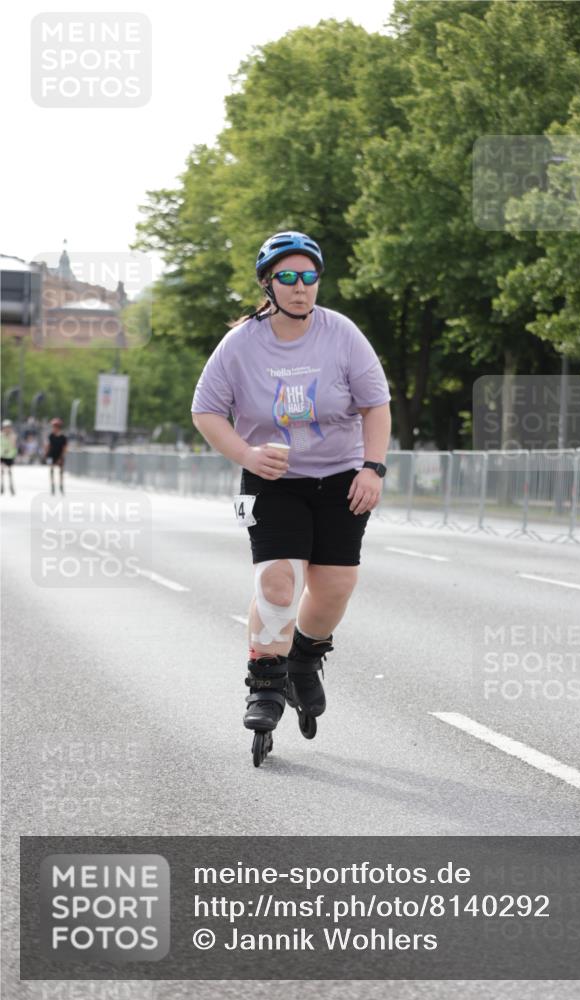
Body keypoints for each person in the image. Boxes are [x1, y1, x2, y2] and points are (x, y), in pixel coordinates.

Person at [191, 230, 392, 765]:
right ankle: (265, 682)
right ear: (268, 283)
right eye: (289, 278)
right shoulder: (240, 344)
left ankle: (304, 659)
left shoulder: (342, 334)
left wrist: (373, 468)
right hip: (272, 481)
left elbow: (376, 405)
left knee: (333, 588)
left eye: (310, 277)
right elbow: (206, 411)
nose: (302, 288)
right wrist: (247, 455)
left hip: (340, 478)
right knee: (277, 581)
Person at [44, 417, 68, 494]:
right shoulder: (50, 436)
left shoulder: (63, 437)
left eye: (55, 427)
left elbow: (65, 448)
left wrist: (62, 456)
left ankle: (61, 485)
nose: (54, 428)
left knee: (61, 471)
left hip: (59, 455)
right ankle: (52, 485)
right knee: (51, 470)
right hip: (51, 455)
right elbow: (48, 446)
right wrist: (46, 454)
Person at [1, 419, 18, 494]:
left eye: (8, 427)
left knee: (9, 471)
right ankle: (2, 486)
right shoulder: (1, 435)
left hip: (10, 455)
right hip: (2, 455)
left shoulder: (13, 435)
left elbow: (13, 445)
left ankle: (11, 486)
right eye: (5, 427)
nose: (7, 429)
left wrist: (9, 437)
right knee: (2, 470)